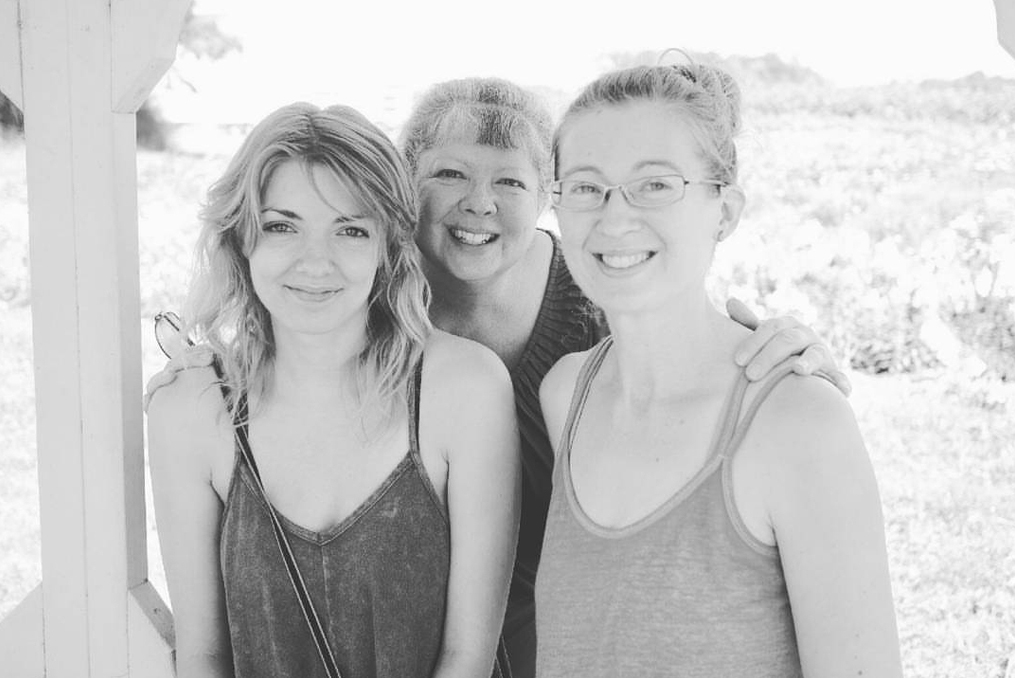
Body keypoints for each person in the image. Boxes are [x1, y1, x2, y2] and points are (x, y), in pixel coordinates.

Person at [148, 77, 850, 678]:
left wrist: (782, 352)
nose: (477, 203)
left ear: (542, 195)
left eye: (508, 181)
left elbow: (663, 289)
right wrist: (204, 368)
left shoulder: (589, 323)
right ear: (408, 195)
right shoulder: (346, 292)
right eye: (450, 175)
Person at [535, 62, 902, 677]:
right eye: (585, 187)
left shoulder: (798, 421)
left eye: (655, 185)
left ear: (724, 212)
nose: (614, 217)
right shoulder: (566, 393)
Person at [146, 102, 520, 678]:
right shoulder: (193, 409)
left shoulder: (464, 391)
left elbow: (467, 655)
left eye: (350, 229)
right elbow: (203, 655)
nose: (314, 262)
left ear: (387, 247)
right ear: (242, 240)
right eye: (281, 226)